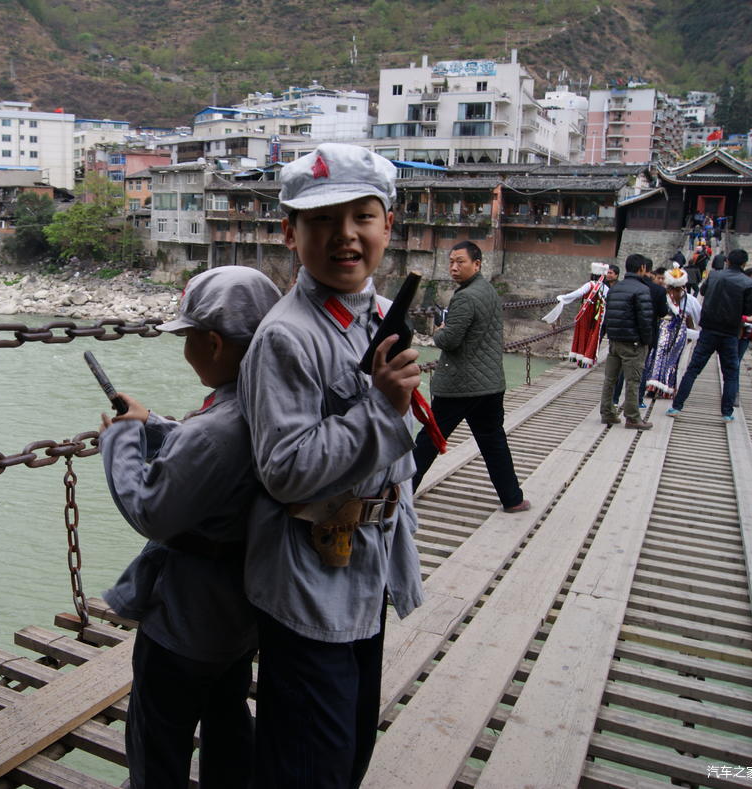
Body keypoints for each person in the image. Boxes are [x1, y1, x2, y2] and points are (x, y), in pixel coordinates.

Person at [237, 143, 425, 788]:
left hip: (364, 572)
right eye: (321, 221)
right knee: (309, 766)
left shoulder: (374, 316)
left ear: (388, 226)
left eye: (362, 217)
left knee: (348, 756)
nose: (345, 236)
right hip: (308, 584)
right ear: (291, 233)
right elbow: (284, 470)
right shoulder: (286, 337)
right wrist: (381, 407)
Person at [99, 266, 281, 788]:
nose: (185, 352)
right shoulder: (271, 406)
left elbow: (150, 510)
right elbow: (208, 450)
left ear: (215, 344)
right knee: (227, 715)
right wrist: (155, 424)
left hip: (184, 619)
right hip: (241, 608)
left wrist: (123, 441)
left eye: (188, 340)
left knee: (157, 741)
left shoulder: (212, 432)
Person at [414, 240, 530, 513]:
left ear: (477, 264)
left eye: (460, 262)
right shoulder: (488, 290)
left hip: (460, 386)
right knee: (493, 442)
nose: (454, 267)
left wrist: (439, 329)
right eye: (451, 262)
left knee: (429, 440)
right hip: (489, 385)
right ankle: (513, 498)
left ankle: (396, 494)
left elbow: (450, 340)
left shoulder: (465, 297)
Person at [667, 249, 752, 422]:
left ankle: (676, 406)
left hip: (708, 329)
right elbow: (748, 310)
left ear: (727, 261)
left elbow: (703, 292)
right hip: (730, 332)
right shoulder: (747, 283)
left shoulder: (715, 276)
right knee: (730, 373)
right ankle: (727, 412)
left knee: (693, 369)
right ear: (745, 264)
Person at [601, 254, 655, 429]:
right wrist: (647, 341)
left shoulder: (615, 288)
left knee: (610, 378)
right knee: (633, 381)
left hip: (614, 340)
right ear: (642, 268)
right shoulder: (642, 289)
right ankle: (632, 417)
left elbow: (608, 315)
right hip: (633, 342)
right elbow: (646, 319)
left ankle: (607, 413)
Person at [541, 261, 617, 368]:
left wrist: (563, 297)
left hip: (586, 312)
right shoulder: (605, 288)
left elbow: (578, 293)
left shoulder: (590, 285)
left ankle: (580, 357)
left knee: (583, 334)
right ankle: (588, 359)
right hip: (598, 314)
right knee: (593, 334)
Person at [642, 266, 700, 399]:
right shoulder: (686, 299)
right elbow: (699, 317)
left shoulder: (682, 298)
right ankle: (662, 387)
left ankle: (656, 386)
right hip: (672, 330)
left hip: (670, 329)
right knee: (667, 359)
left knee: (662, 358)